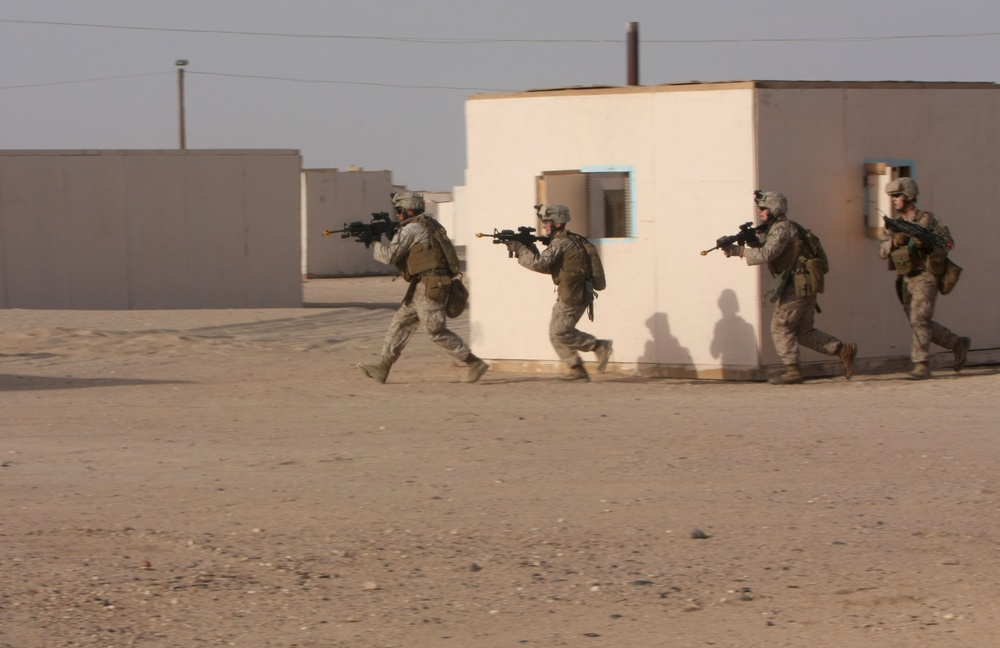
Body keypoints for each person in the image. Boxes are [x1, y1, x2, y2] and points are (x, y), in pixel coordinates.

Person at [723, 191, 857, 385]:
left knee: (780, 326)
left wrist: (739, 251)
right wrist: (753, 242)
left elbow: (767, 255)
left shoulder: (781, 228)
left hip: (797, 284)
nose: (760, 213)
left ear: (774, 209)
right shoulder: (783, 227)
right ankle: (844, 350)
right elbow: (772, 251)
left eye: (763, 209)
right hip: (804, 283)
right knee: (804, 331)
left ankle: (793, 370)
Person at [357, 191, 489, 384]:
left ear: (410, 210)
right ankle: (382, 367)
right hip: (422, 286)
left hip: (429, 288)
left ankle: (474, 363)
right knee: (400, 322)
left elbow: (389, 256)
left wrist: (375, 242)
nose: (398, 215)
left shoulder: (411, 230)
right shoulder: (429, 225)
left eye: (400, 211)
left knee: (435, 331)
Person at [504, 204, 612, 382]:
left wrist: (520, 249)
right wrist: (529, 248)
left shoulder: (562, 242)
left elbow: (540, 264)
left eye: (547, 222)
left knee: (560, 332)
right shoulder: (570, 241)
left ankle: (598, 346)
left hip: (572, 294)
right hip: (572, 292)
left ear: (558, 223)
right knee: (555, 333)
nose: (544, 226)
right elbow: (553, 267)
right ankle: (576, 369)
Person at [877, 177, 970, 380]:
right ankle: (957, 343)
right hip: (905, 278)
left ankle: (921, 363)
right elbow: (882, 251)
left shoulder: (928, 220)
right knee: (918, 322)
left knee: (919, 319)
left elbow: (948, 244)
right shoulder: (894, 225)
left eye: (897, 196)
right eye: (891, 196)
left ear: (908, 196)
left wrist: (927, 244)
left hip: (926, 276)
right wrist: (894, 241)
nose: (893, 200)